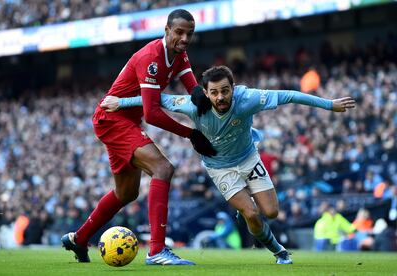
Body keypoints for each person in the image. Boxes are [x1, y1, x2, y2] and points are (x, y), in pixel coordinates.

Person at [101, 65, 356, 264]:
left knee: (271, 213)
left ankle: (246, 211)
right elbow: (157, 100)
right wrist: (120, 102)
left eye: (225, 90)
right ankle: (278, 251)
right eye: (213, 92)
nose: (220, 97)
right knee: (252, 214)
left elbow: (288, 95)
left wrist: (329, 104)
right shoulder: (193, 105)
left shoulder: (248, 98)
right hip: (220, 167)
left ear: (233, 88)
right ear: (205, 92)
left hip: (248, 158)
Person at [61, 9, 216, 266]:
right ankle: (156, 251)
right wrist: (190, 134)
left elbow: (192, 87)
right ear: (166, 31)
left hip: (126, 121)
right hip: (113, 119)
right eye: (179, 32)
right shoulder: (152, 57)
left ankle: (80, 238)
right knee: (163, 168)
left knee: (126, 193)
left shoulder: (178, 53)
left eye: (190, 33)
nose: (185, 38)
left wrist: (199, 93)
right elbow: (153, 114)